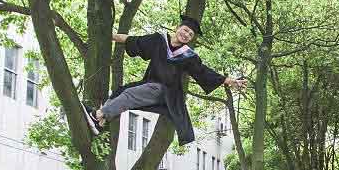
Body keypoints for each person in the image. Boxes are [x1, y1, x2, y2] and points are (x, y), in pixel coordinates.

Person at [81, 16, 246, 145]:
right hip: (148, 85)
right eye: (185, 30)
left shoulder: (189, 56)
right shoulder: (159, 40)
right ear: (178, 28)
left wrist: (230, 81)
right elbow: (134, 40)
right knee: (120, 92)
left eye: (190, 34)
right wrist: (109, 36)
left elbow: (204, 72)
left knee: (129, 94)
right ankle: (100, 124)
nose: (187, 34)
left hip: (165, 92)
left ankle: (98, 115)